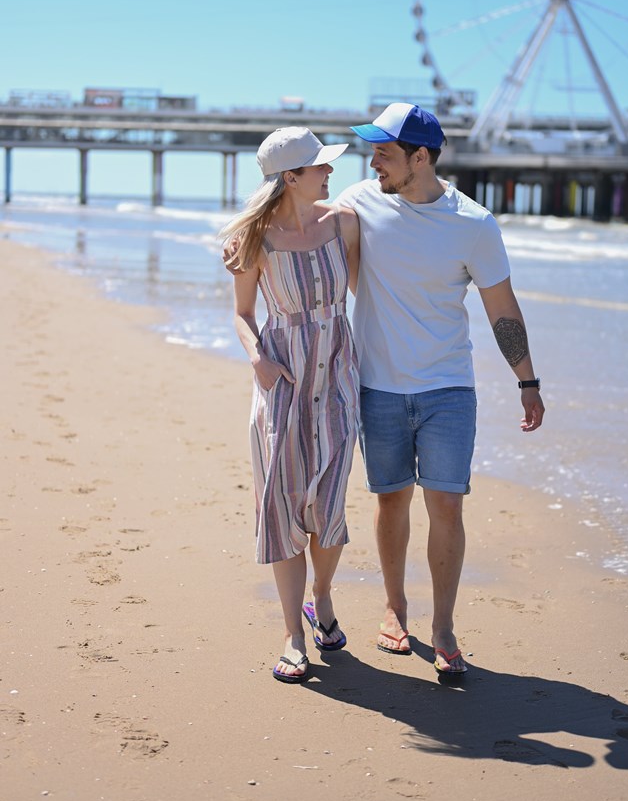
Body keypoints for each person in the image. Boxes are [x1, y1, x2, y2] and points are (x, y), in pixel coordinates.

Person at [336, 102, 545, 676]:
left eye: (384, 151)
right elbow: (299, 219)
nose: (372, 161)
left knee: (446, 505)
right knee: (391, 500)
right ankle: (394, 607)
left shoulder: (473, 224)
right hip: (377, 385)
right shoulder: (358, 202)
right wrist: (247, 247)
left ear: (420, 157)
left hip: (449, 387)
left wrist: (526, 379)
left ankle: (444, 626)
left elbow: (501, 307)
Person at [221, 126, 360, 684]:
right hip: (282, 379)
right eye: (319, 166)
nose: (330, 172)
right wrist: (257, 358)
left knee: (327, 505)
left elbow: (378, 282)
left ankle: (320, 596)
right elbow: (242, 313)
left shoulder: (343, 223)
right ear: (291, 177)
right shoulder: (254, 239)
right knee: (281, 506)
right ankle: (292, 635)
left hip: (338, 376)